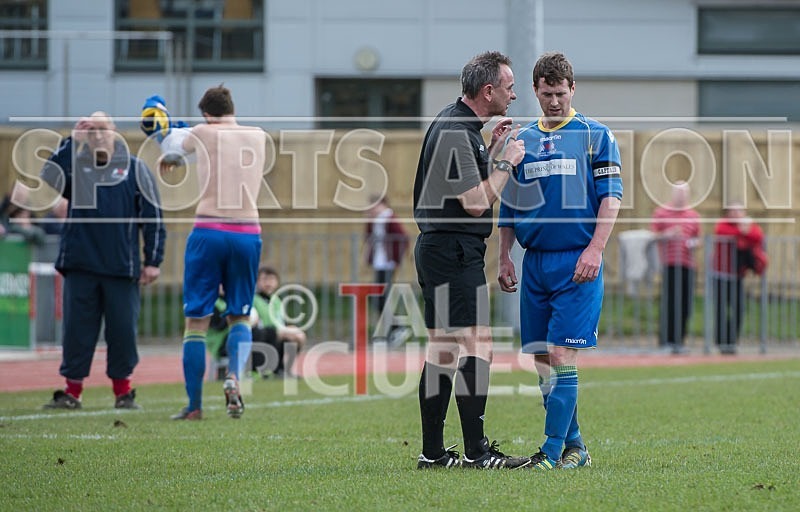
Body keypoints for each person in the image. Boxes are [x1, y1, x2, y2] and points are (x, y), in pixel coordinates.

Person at [498, 52, 623, 470]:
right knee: (539, 356)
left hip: (577, 262)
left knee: (561, 352)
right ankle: (577, 448)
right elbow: (510, 206)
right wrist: (503, 257)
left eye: (560, 93)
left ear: (573, 89)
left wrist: (595, 249)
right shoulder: (523, 141)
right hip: (535, 262)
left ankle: (550, 453)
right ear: (535, 90)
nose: (554, 101)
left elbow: (612, 199)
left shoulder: (595, 134)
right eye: (546, 93)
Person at [413, 51, 528, 469]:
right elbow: (477, 203)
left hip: (443, 248)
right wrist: (504, 160)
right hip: (452, 250)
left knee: (443, 349)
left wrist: (491, 145)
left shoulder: (459, 125)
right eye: (510, 87)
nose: (513, 95)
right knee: (477, 344)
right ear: (488, 90)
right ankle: (478, 453)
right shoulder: (456, 132)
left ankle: (432, 454)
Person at [141, 86, 267, 420]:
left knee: (196, 322)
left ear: (206, 114)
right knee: (240, 315)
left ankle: (194, 406)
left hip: (209, 229)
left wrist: (159, 118)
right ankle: (234, 377)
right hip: (247, 231)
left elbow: (169, 146)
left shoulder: (202, 133)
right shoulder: (258, 136)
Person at [33, 112, 166, 410]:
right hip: (81, 264)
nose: (97, 135)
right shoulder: (78, 167)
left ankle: (123, 393)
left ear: (114, 131)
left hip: (121, 266)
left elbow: (153, 217)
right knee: (77, 332)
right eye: (90, 130)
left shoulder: (135, 169)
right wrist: (72, 140)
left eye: (101, 129)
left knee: (122, 332)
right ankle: (72, 392)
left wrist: (153, 260)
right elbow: (50, 175)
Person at [651, 181, 701, 354]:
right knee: (669, 302)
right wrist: (668, 234)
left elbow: (697, 237)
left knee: (685, 304)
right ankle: (666, 339)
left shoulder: (693, 215)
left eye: (684, 193)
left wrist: (694, 244)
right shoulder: (661, 212)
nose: (681, 197)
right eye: (679, 193)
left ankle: (680, 340)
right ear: (673, 194)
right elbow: (653, 236)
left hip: (688, 264)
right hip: (669, 264)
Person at [711, 203, 767, 355]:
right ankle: (721, 342)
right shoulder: (723, 224)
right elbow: (723, 233)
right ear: (728, 213)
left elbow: (758, 236)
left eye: (739, 211)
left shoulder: (750, 225)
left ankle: (732, 342)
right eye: (733, 211)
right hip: (720, 275)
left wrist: (744, 232)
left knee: (739, 310)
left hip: (737, 276)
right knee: (721, 310)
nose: (736, 213)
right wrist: (742, 231)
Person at [364, 195, 411, 347]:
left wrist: (395, 257)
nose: (371, 209)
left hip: (388, 264)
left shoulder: (390, 218)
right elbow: (368, 237)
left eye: (374, 206)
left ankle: (397, 328)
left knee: (382, 297)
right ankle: (393, 329)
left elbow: (403, 237)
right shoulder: (374, 220)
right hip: (379, 264)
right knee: (377, 298)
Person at [249, 266, 307, 377]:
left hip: (275, 332)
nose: (268, 283)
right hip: (260, 334)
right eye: (265, 279)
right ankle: (271, 369)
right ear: (257, 282)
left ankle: (284, 369)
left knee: (298, 336)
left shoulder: (276, 300)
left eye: (272, 279)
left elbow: (280, 322)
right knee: (276, 334)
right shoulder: (253, 299)